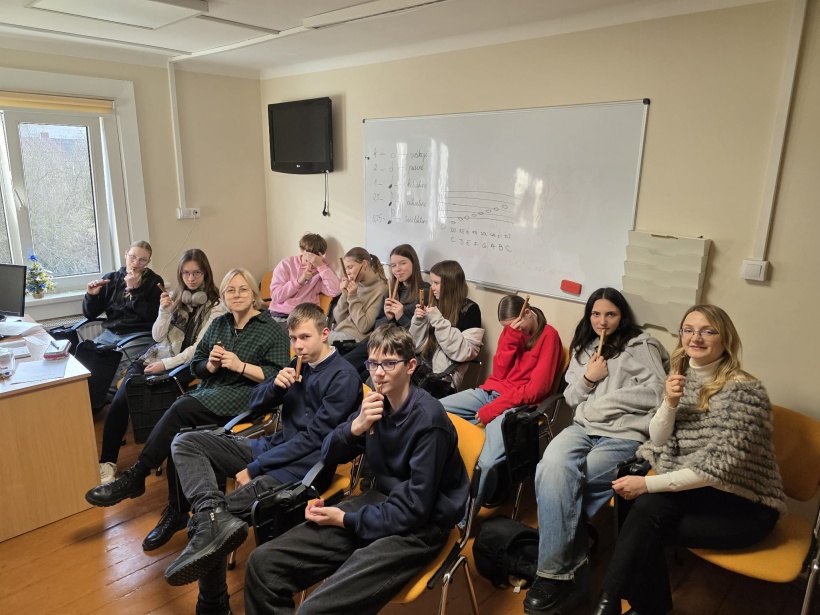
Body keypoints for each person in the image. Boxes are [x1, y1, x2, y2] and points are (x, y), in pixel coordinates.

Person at [243, 324, 469, 615]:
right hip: (379, 503)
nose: (378, 373)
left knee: (314, 610)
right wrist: (356, 426)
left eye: (389, 364)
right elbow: (328, 452)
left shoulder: (429, 422)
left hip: (421, 526)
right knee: (262, 564)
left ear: (411, 366)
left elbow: (414, 509)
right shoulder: (375, 402)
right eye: (373, 363)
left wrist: (346, 519)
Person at [162, 303, 363, 613]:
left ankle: (212, 605)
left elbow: (315, 441)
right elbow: (255, 404)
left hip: (303, 469)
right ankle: (210, 512)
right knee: (186, 442)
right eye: (293, 338)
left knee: (208, 528)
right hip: (271, 448)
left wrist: (256, 468)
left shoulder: (343, 377)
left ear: (325, 334)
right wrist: (274, 386)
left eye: (305, 337)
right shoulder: (297, 364)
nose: (298, 345)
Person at [592, 305, 785, 615]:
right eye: (689, 330)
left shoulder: (745, 393)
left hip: (746, 505)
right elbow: (658, 439)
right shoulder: (681, 376)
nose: (696, 338)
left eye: (708, 331)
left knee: (643, 524)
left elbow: (715, 468)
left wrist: (648, 484)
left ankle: (616, 603)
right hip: (702, 492)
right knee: (643, 510)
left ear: (725, 338)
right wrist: (669, 402)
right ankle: (625, 604)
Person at [84, 268, 291, 552]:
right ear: (224, 296)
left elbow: (279, 377)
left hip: (249, 396)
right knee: (179, 432)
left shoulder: (271, 329)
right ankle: (176, 511)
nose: (237, 295)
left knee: (181, 407)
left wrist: (240, 366)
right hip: (212, 391)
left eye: (243, 289)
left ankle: (138, 475)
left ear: (254, 295)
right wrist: (212, 365)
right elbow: (197, 365)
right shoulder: (219, 324)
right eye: (230, 290)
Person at [521, 288, 669, 614]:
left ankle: (554, 577)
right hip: (582, 430)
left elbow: (659, 392)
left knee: (571, 484)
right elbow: (572, 398)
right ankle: (570, 578)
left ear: (622, 316)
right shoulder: (583, 348)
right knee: (550, 468)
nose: (602, 321)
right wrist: (589, 378)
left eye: (610, 314)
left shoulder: (641, 345)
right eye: (596, 314)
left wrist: (605, 404)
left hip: (624, 435)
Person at [97, 248, 224, 484]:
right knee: (122, 396)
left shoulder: (216, 306)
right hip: (156, 354)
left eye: (197, 273)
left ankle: (143, 463)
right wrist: (164, 311)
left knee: (139, 391)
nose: (191, 279)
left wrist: (164, 365)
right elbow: (157, 336)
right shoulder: (174, 296)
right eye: (185, 273)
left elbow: (196, 349)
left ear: (206, 273)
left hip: (185, 363)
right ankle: (107, 462)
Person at [442, 294, 562, 507]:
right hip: (490, 392)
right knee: (436, 410)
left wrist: (493, 409)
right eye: (506, 327)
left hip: (518, 405)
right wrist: (510, 339)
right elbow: (499, 373)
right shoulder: (512, 330)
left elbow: (537, 390)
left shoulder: (549, 336)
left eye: (517, 326)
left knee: (487, 462)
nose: (515, 330)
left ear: (527, 313)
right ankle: (441, 488)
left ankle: (466, 514)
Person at [82, 240, 163, 408]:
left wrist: (134, 289)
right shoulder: (111, 279)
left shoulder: (154, 282)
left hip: (139, 334)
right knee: (88, 357)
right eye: (133, 257)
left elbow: (152, 316)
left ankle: (101, 401)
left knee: (113, 362)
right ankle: (86, 399)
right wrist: (91, 295)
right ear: (126, 254)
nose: (136, 263)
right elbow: (90, 314)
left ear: (148, 262)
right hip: (111, 333)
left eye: (142, 260)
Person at [343, 243, 429, 382]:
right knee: (344, 366)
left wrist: (401, 317)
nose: (397, 269)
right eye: (393, 265)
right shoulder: (391, 291)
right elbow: (377, 327)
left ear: (414, 263)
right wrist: (388, 318)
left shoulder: (424, 293)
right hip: (377, 342)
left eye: (403, 263)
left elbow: (418, 339)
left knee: (363, 379)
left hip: (397, 349)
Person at [409, 260, 483, 396]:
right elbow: (415, 346)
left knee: (410, 399)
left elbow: (465, 352)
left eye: (436, 283)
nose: (432, 287)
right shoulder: (434, 303)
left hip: (442, 379)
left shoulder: (470, 310)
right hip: (418, 368)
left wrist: (438, 320)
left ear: (450, 284)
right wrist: (418, 322)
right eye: (432, 282)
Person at [268, 232, 340, 325]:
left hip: (306, 317)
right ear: (302, 250)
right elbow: (276, 296)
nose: (312, 259)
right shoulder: (286, 264)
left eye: (316, 256)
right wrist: (299, 282)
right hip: (281, 315)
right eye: (309, 254)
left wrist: (321, 266)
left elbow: (335, 291)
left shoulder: (322, 271)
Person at [328, 246, 388, 345]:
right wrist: (344, 295)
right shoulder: (356, 284)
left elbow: (364, 326)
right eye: (346, 268)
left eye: (350, 267)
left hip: (355, 339)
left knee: (315, 341)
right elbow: (339, 318)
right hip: (339, 333)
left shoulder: (382, 289)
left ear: (364, 264)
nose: (347, 273)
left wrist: (352, 297)